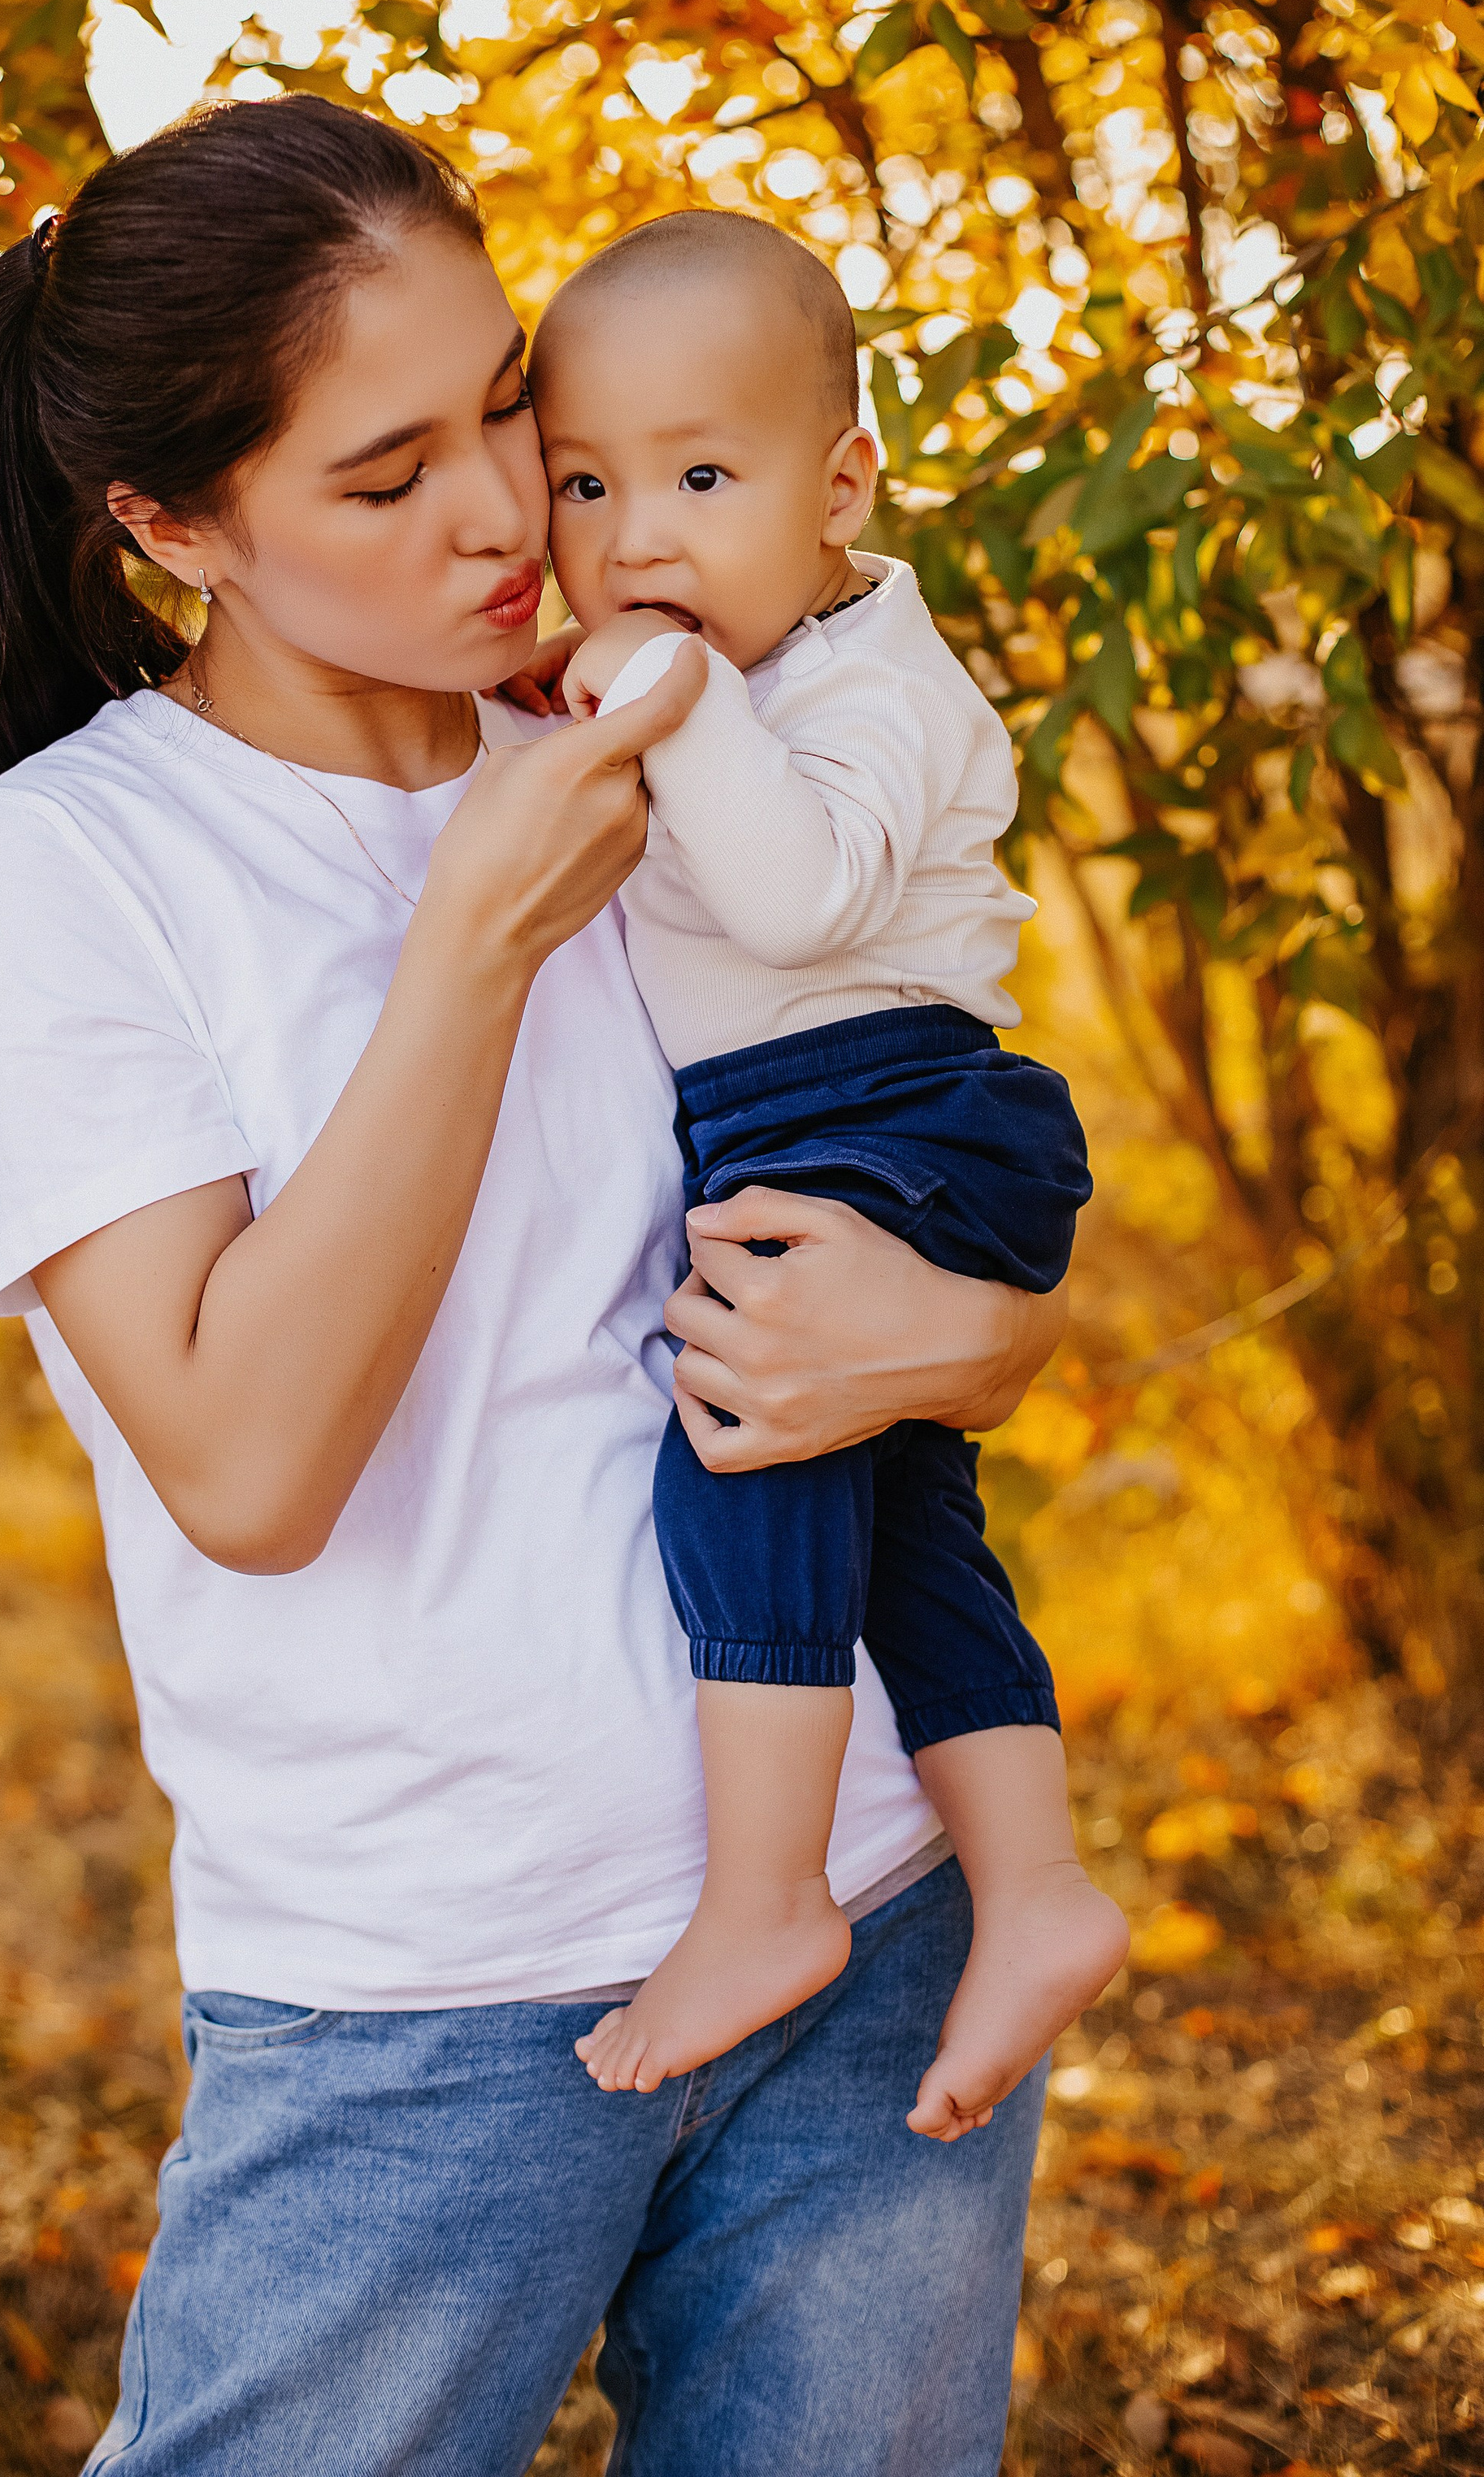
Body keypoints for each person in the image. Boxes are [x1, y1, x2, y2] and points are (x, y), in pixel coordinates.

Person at [0, 93, 1070, 2477]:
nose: (496, 519)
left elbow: (910, 1194)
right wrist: (471, 934)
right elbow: (245, 1465)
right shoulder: (74, 870)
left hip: (860, 1906)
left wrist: (990, 1340)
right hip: (428, 2003)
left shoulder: (665, 727)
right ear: (169, 527)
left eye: (506, 417)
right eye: (379, 474)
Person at [514, 211, 1127, 2128]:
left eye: (703, 477)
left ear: (840, 480)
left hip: (887, 1100)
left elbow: (787, 903)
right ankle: (1030, 1890)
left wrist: (666, 703)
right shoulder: (754, 663)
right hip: (848, 1113)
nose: (636, 540)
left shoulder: (869, 678)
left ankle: (766, 1897)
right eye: (585, 486)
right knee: (901, 1537)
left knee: (741, 1451)